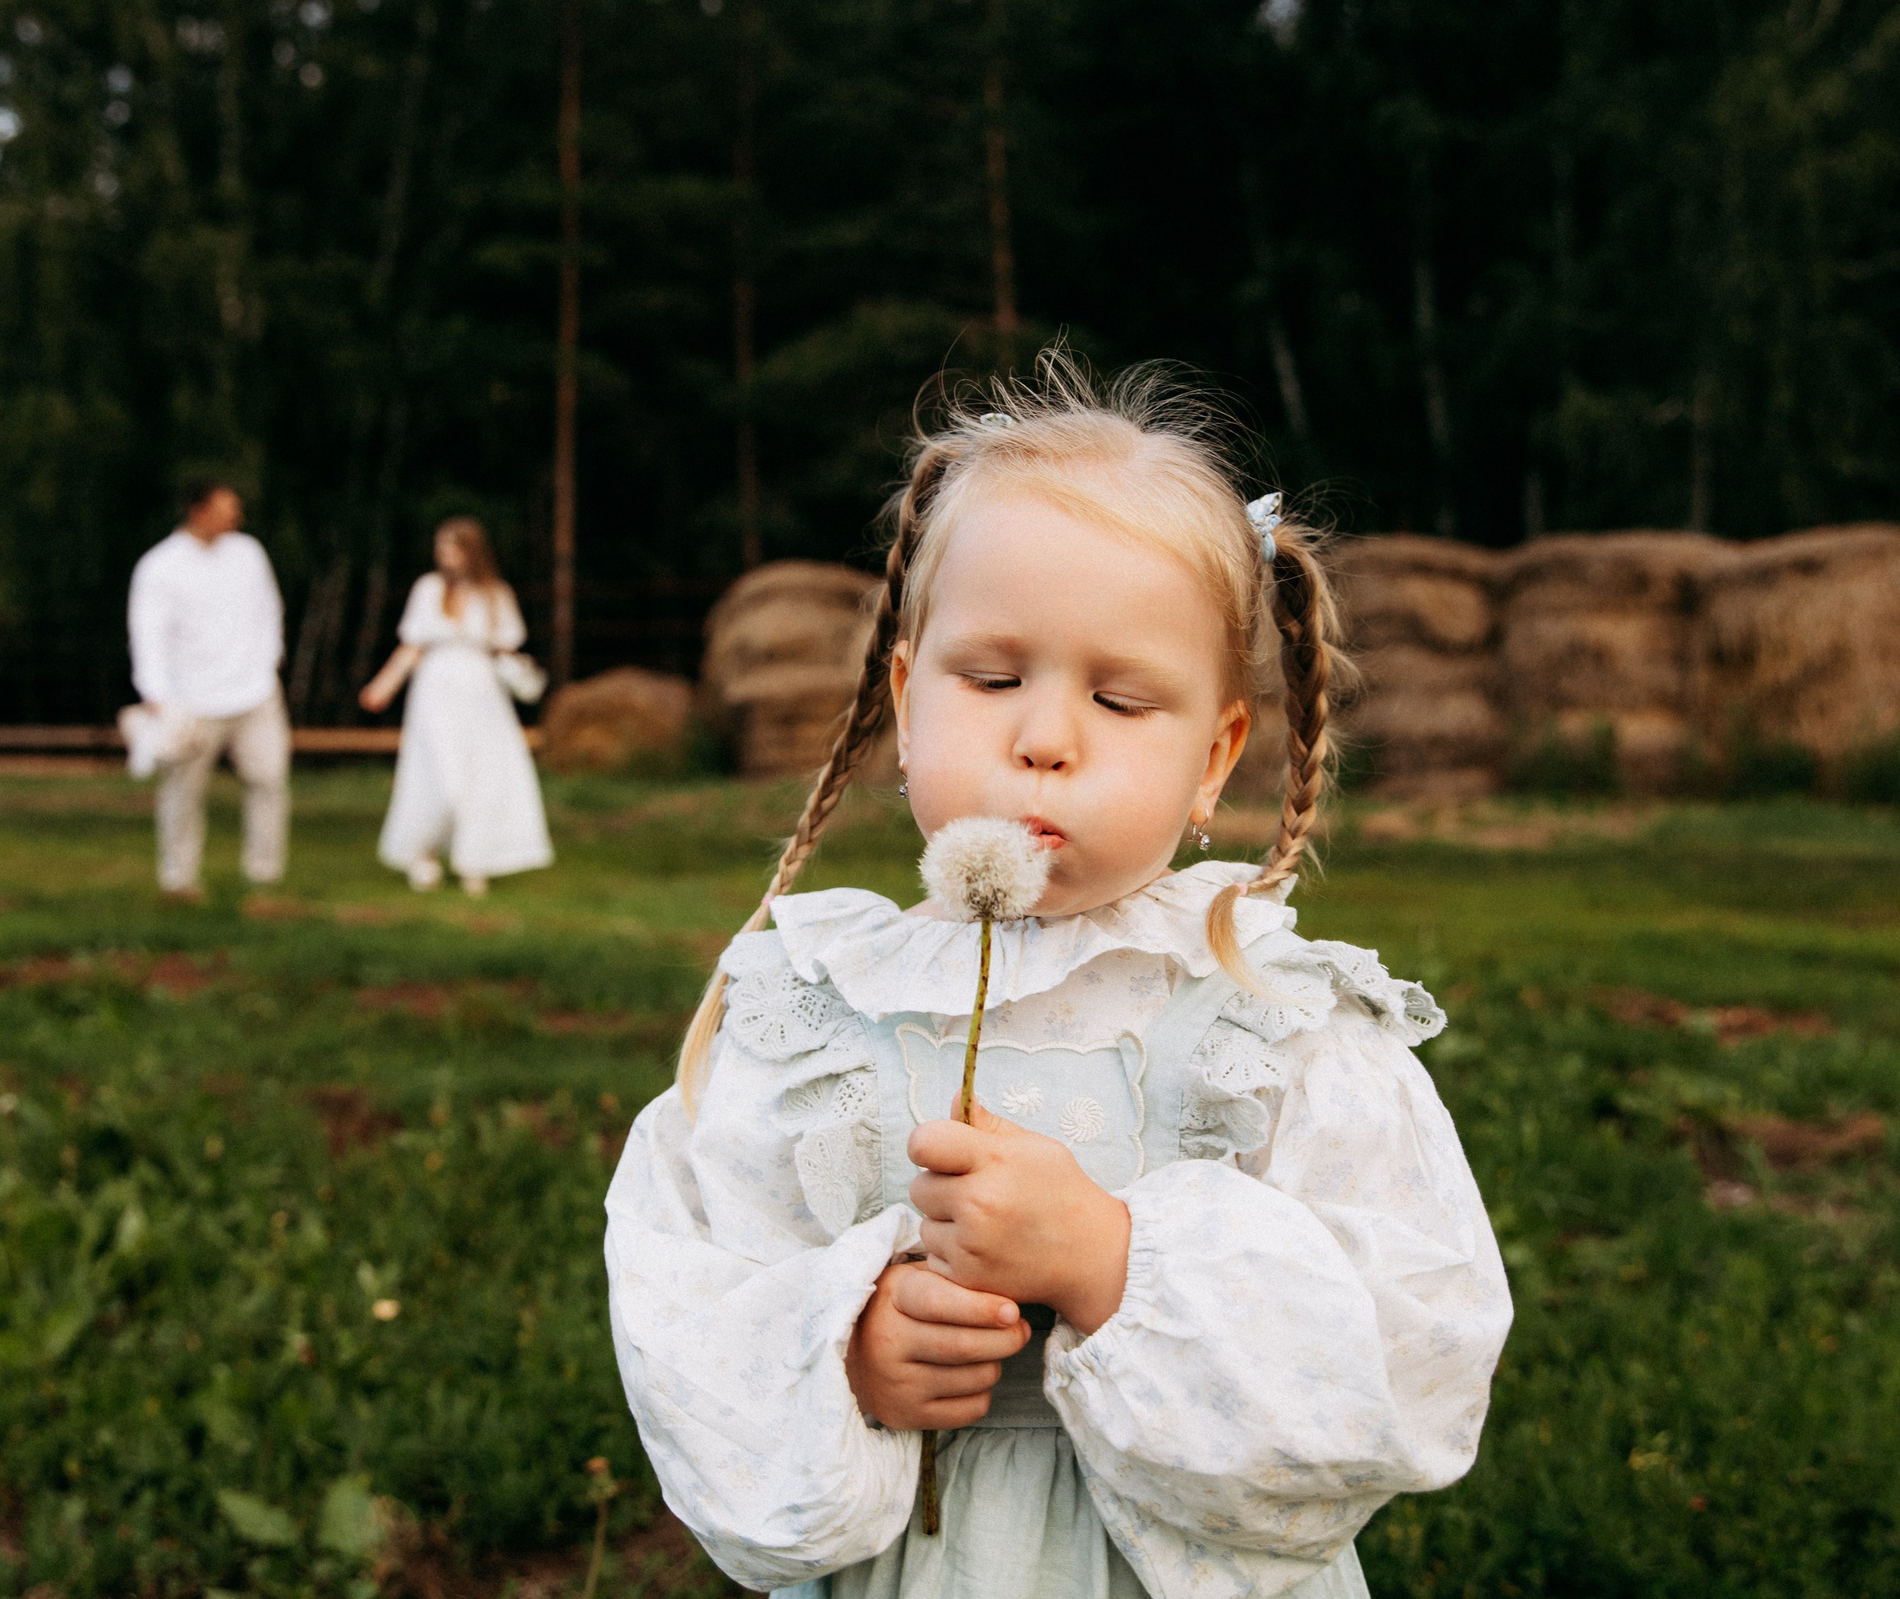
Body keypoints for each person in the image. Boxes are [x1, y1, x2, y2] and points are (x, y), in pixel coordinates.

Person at [603, 354, 1512, 1599]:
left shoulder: (1269, 1018)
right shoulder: (807, 1010)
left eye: (1121, 698)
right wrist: (846, 1355)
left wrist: (1112, 1262)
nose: (1042, 738)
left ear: (1213, 757)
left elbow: (1416, 1355)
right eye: (989, 680)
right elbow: (688, 1286)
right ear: (904, 698)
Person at [360, 517, 553, 895]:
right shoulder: (429, 589)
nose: (443, 553)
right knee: (439, 775)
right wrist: (383, 685)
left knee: (481, 775)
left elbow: (506, 648)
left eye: (452, 545)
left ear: (472, 550)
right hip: (436, 692)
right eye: (441, 545)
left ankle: (474, 857)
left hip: (481, 694)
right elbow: (412, 646)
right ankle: (423, 851)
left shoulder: (496, 594)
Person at [126, 480, 290, 899]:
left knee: (268, 780)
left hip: (256, 693)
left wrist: (267, 663)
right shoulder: (160, 565)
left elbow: (269, 610)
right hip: (191, 700)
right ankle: (179, 879)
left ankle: (264, 876)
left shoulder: (248, 554)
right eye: (227, 508)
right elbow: (147, 634)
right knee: (183, 792)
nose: (236, 516)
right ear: (198, 511)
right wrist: (157, 695)